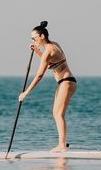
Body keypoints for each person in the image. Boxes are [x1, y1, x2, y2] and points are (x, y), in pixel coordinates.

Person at [18, 20, 77, 153]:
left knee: (58, 114)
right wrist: (38, 51)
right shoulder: (54, 45)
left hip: (66, 82)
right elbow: (52, 64)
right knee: (57, 113)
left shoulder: (48, 51)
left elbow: (39, 75)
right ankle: (63, 143)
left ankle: (62, 145)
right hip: (68, 82)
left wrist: (25, 93)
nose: (33, 40)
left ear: (42, 36)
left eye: (34, 38)